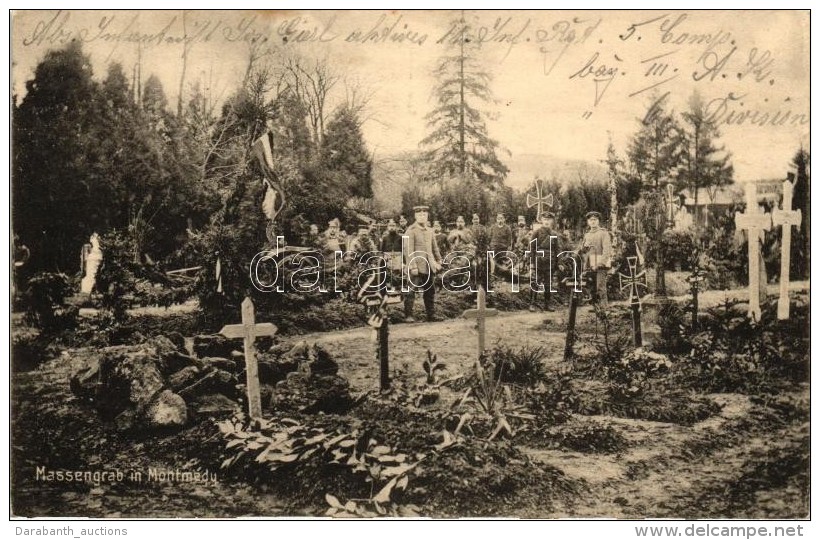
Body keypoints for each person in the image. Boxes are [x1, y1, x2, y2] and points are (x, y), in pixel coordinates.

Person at [403, 205, 442, 323]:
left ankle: (431, 315)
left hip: (429, 265)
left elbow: (435, 247)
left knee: (430, 291)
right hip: (416, 265)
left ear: (427, 216)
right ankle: (408, 315)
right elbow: (408, 250)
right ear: (415, 216)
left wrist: (439, 260)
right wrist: (413, 266)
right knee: (411, 291)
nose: (422, 216)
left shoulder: (430, 231)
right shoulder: (411, 230)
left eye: (424, 215)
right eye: (419, 214)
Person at [528, 212, 562, 311]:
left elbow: (558, 249)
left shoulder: (554, 234)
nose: (547, 221)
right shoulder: (536, 232)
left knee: (548, 284)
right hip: (539, 261)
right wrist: (532, 263)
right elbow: (532, 248)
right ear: (541, 220)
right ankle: (532, 304)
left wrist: (559, 262)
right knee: (535, 282)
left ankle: (547, 304)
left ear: (552, 221)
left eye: (549, 220)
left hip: (550, 262)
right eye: (545, 219)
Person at [579, 211, 612, 306]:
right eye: (590, 220)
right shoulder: (587, 234)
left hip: (600, 264)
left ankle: (604, 308)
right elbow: (583, 251)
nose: (593, 222)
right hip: (589, 264)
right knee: (590, 286)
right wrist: (584, 248)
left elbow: (607, 250)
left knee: (600, 287)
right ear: (588, 222)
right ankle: (595, 307)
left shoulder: (603, 233)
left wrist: (601, 263)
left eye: (595, 220)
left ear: (598, 221)